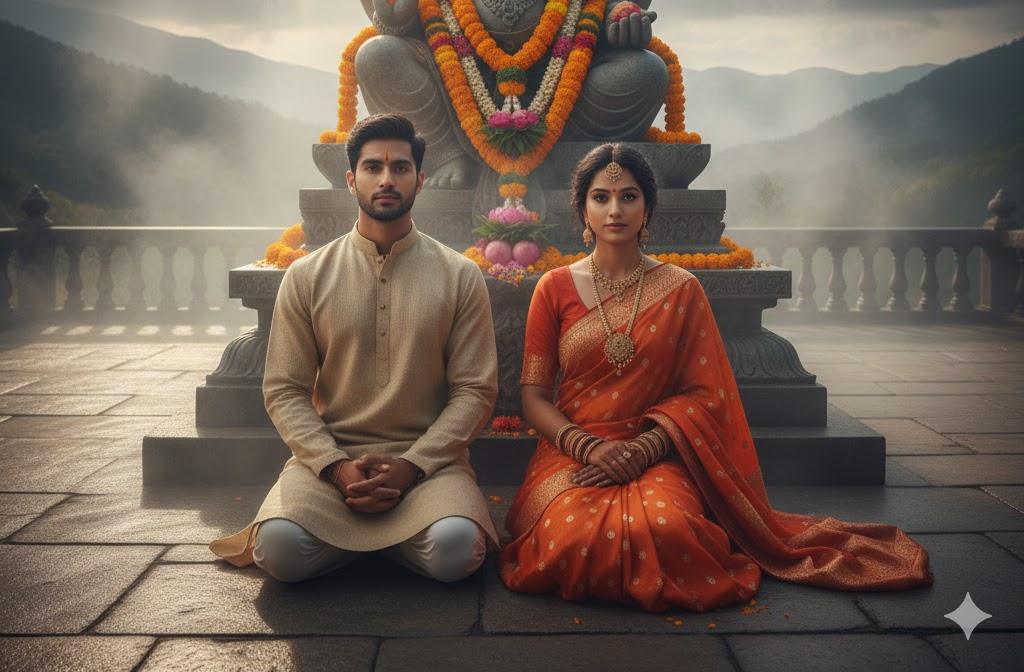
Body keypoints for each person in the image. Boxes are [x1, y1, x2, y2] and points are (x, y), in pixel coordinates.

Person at [499, 143, 934, 612]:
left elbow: (705, 396)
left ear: (647, 208)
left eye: (628, 196)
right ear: (582, 209)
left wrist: (643, 448)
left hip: (657, 450)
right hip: (572, 451)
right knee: (571, 538)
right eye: (601, 197)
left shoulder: (682, 289)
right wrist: (591, 447)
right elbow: (534, 396)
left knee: (667, 531)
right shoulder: (555, 287)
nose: (614, 209)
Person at [209, 113, 499, 583]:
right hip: (328, 466)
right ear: (351, 179)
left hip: (430, 467)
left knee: (457, 550)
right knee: (277, 549)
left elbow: (474, 391)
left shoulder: (458, 275)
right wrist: (335, 467)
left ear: (420, 180)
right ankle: (391, 544)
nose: (387, 179)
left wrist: (413, 466)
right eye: (372, 167)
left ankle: (364, 544)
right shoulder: (307, 276)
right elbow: (285, 389)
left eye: (400, 168)